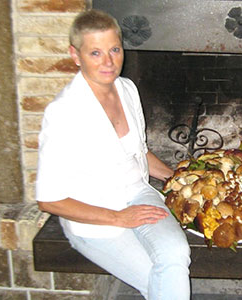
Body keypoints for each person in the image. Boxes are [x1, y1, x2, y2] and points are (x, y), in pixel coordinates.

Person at [35, 9, 191, 300]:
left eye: (114, 49)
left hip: (139, 194)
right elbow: (48, 199)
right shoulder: (63, 113)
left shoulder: (127, 89)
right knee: (164, 281)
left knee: (176, 254)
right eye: (95, 53)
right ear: (75, 55)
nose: (108, 62)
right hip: (95, 218)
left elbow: (139, 153)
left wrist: (182, 179)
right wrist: (118, 218)